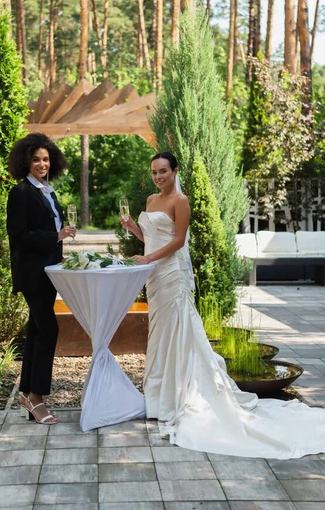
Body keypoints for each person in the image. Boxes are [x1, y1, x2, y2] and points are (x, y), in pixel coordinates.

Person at [121, 151, 325, 459]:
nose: (158, 177)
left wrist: (147, 258)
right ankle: (158, 399)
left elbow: (177, 242)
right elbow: (150, 237)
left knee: (179, 333)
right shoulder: (151, 201)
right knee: (159, 334)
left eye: (163, 171)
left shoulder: (181, 201)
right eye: (154, 172)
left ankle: (179, 398)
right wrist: (133, 230)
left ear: (175, 170)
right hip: (155, 277)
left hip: (173, 274)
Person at [7, 133, 76, 424]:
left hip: (49, 272)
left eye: (46, 159)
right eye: (36, 159)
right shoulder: (21, 192)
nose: (41, 163)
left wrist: (59, 251)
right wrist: (56, 236)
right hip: (32, 274)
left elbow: (48, 232)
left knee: (36, 331)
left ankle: (27, 393)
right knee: (49, 330)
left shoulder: (48, 190)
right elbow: (19, 236)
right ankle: (37, 397)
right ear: (25, 160)